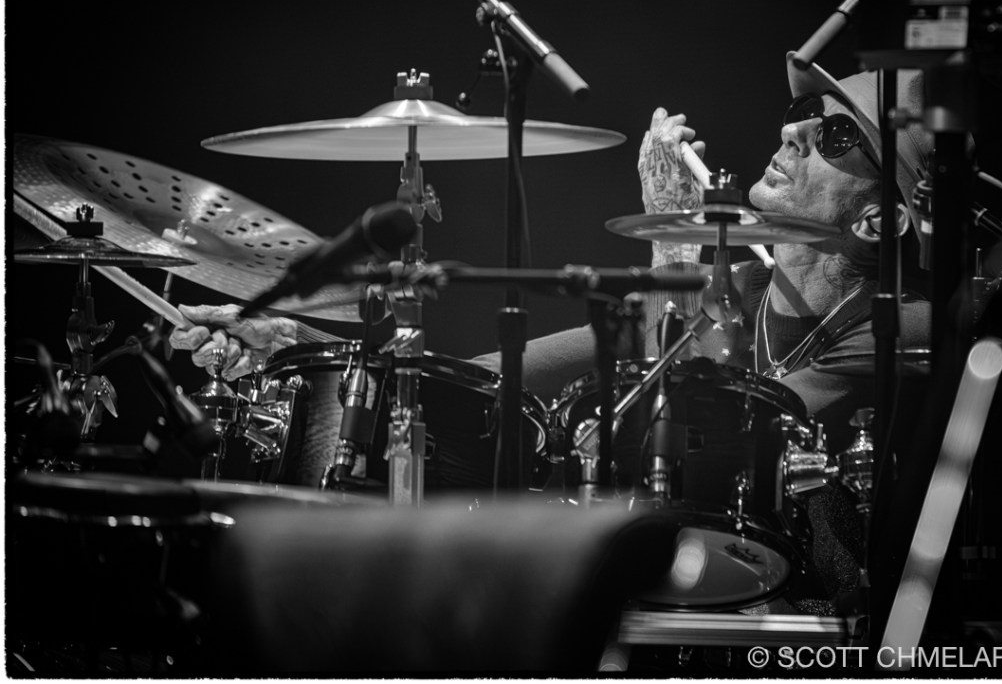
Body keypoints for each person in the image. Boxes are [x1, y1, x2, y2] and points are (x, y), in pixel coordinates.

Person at [170, 52, 934, 611]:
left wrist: (672, 254)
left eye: (836, 135)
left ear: (880, 219)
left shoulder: (905, 329)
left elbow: (722, 428)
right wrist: (304, 356)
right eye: (805, 114)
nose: (794, 129)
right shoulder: (737, 290)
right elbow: (489, 380)